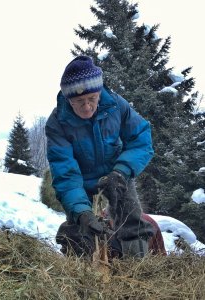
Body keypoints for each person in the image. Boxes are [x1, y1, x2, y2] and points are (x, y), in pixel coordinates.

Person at [45, 55, 155, 258]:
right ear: (68, 99)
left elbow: (142, 140)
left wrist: (121, 173)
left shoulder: (116, 105)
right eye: (79, 101)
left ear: (99, 93)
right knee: (79, 230)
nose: (86, 107)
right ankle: (83, 275)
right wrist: (82, 213)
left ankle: (138, 267)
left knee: (131, 219)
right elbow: (65, 173)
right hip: (81, 182)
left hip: (115, 175)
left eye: (91, 99)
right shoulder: (57, 123)